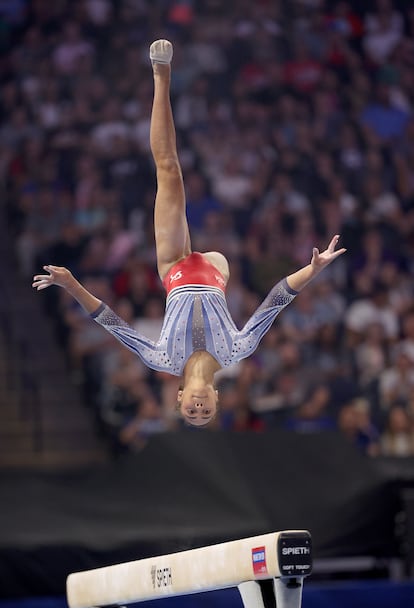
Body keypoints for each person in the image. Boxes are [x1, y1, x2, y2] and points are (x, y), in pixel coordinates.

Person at [32, 40, 346, 427]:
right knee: (212, 243)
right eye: (206, 410)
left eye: (191, 411)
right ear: (216, 395)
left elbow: (109, 320)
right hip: (216, 272)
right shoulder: (237, 352)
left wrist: (71, 283)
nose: (199, 406)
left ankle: (160, 77)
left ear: (179, 397)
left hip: (174, 269)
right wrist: (313, 269)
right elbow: (276, 300)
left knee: (170, 172)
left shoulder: (162, 357)